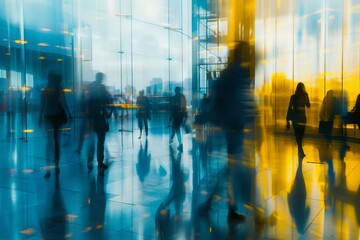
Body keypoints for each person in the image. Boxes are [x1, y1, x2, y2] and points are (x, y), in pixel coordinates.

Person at [200, 41, 258, 222]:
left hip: (232, 127)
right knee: (235, 170)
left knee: (231, 169)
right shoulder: (238, 73)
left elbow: (223, 99)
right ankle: (244, 209)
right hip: (235, 128)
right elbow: (241, 100)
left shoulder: (229, 73)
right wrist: (250, 119)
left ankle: (222, 206)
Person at [39, 72, 71, 178]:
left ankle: (49, 166)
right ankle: (56, 163)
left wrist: (40, 116)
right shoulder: (59, 90)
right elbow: (64, 102)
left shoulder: (45, 91)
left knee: (49, 142)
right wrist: (69, 113)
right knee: (57, 141)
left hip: (48, 117)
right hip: (57, 117)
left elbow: (42, 105)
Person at [87, 72, 113, 176]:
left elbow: (88, 101)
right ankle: (99, 163)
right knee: (100, 141)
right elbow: (107, 100)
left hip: (93, 117)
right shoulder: (101, 88)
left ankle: (90, 161)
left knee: (93, 142)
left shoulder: (91, 87)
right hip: (100, 117)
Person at [286, 82, 310, 158]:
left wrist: (287, 119)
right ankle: (300, 150)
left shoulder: (293, 97)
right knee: (301, 135)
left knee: (297, 135)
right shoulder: (305, 96)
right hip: (302, 118)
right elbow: (308, 105)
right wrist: (306, 97)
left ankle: (300, 150)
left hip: (295, 118)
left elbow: (289, 107)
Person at [169, 86, 187, 152]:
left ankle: (180, 143)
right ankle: (172, 139)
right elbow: (184, 107)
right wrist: (185, 116)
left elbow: (173, 108)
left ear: (175, 91)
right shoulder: (182, 97)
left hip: (175, 116)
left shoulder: (174, 98)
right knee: (176, 128)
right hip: (180, 116)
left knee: (176, 129)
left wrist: (171, 117)